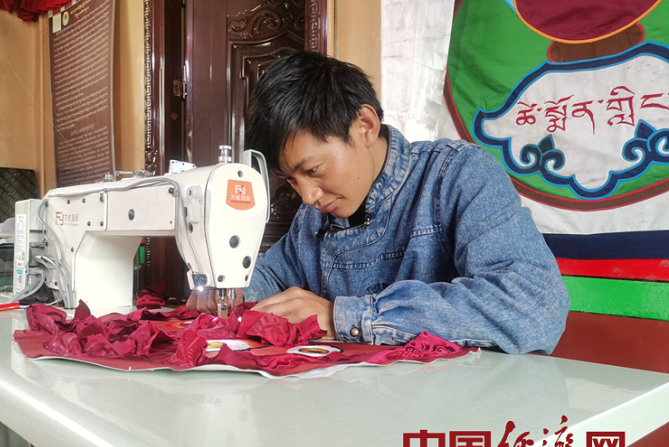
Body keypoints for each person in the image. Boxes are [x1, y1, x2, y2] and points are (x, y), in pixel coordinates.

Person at [188, 51, 569, 354]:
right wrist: (233, 289)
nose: (307, 196)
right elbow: (273, 276)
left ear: (365, 126)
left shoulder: (458, 175)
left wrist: (342, 318)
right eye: (290, 179)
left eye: (313, 170)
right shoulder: (313, 217)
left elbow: (535, 306)